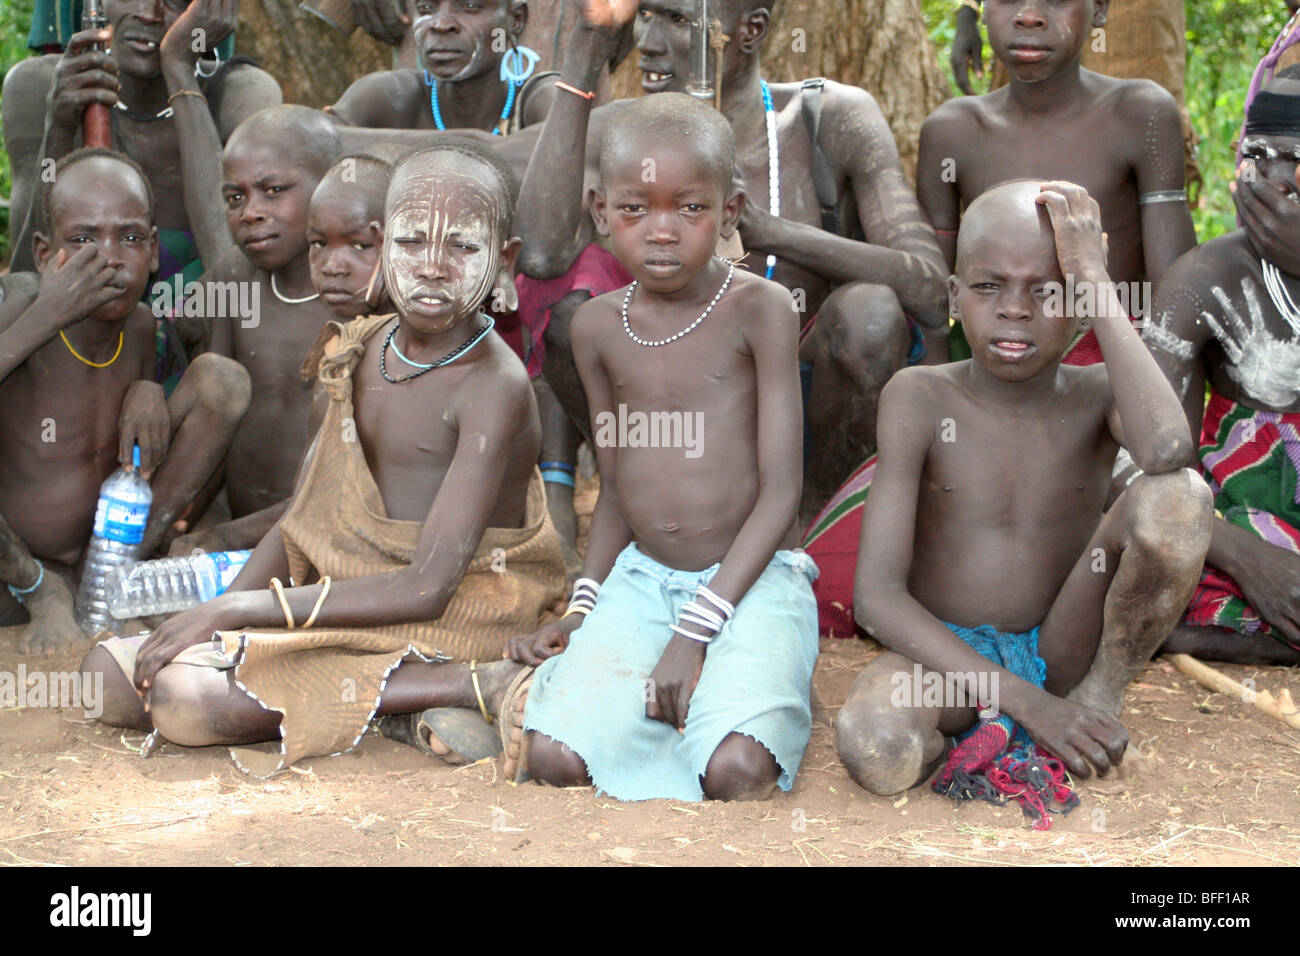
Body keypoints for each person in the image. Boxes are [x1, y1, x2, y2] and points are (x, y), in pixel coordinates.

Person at [80, 140, 566, 776]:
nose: (433, 267)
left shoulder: (493, 386)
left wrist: (236, 611)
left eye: (463, 247)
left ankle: (467, 684)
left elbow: (428, 587)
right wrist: (223, 624)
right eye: (413, 241)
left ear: (503, 262)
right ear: (384, 241)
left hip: (451, 618)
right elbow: (307, 518)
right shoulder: (360, 349)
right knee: (105, 679)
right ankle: (395, 706)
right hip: (343, 602)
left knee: (181, 699)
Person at [804, 0, 1198, 640]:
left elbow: (1174, 300)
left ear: (1098, 11)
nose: (1030, 17)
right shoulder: (954, 130)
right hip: (985, 384)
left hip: (1114, 379)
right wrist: (943, 429)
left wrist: (1097, 299)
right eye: (1008, 0)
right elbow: (938, 303)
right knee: (839, 568)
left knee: (1170, 499)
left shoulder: (1138, 113)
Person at [835, 180, 1212, 827]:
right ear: (955, 299)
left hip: (1061, 648)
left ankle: (1101, 696)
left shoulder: (1097, 394)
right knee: (879, 749)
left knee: (1181, 498)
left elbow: (1169, 447)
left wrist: (1093, 277)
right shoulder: (918, 397)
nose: (1015, 309)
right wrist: (1024, 703)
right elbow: (876, 598)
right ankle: (1005, 727)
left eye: (1047, 289)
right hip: (945, 658)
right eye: (988, 287)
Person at [515, 0, 949, 531]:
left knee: (872, 314)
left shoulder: (826, 117)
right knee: (571, 308)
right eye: (646, 16)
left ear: (751, 29)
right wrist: (586, 53)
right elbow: (538, 256)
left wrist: (771, 232)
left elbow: (931, 290)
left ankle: (810, 524)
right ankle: (643, 509)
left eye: (678, 20)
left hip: (802, 402)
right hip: (663, 407)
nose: (649, 42)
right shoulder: (620, 133)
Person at [505, 94, 818, 803]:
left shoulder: (758, 311)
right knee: (555, 757)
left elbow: (781, 493)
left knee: (734, 770)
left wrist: (696, 631)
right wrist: (585, 608)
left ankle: (760, 673)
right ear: (599, 213)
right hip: (644, 582)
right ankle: (710, 685)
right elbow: (615, 488)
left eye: (691, 209)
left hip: (751, 579)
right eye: (635, 209)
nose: (663, 232)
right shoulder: (596, 330)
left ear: (731, 213)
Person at [0, 149, 249, 654]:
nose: (110, 256)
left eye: (130, 237)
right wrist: (46, 316)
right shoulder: (21, 303)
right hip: (15, 567)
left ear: (154, 251)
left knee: (221, 381)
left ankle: (126, 581)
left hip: (102, 559)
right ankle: (40, 591)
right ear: (46, 254)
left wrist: (149, 388)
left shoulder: (143, 328)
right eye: (83, 239)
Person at [1145, 71, 1300, 665]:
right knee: (1149, 563)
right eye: (1260, 156)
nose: (1278, 179)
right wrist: (1244, 556)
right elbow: (1145, 464)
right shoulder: (1204, 279)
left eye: (1298, 157)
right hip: (1242, 518)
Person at [166, 152, 393, 556]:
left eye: (360, 245)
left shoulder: (392, 353)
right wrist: (192, 525)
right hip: (254, 531)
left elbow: (333, 503)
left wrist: (221, 539)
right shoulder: (237, 282)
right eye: (318, 243)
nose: (335, 266)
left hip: (336, 549)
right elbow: (216, 434)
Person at [3, 0, 280, 302]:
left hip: (204, 333)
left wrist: (179, 69)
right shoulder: (39, 85)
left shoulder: (240, 93)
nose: (149, 14)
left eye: (175, 2)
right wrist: (58, 131)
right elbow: (28, 279)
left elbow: (237, 294)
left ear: (214, 10)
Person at [166, 100, 341, 549]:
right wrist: (185, 519)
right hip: (239, 530)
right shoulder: (234, 279)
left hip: (327, 537)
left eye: (274, 190)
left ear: (331, 185)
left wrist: (223, 537)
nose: (250, 212)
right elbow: (218, 422)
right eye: (235, 197)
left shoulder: (359, 301)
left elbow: (348, 481)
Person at [326, 0, 560, 136]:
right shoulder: (390, 97)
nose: (441, 24)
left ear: (515, 19)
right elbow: (305, 142)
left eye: (470, 5)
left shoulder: (541, 101)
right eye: (426, 7)